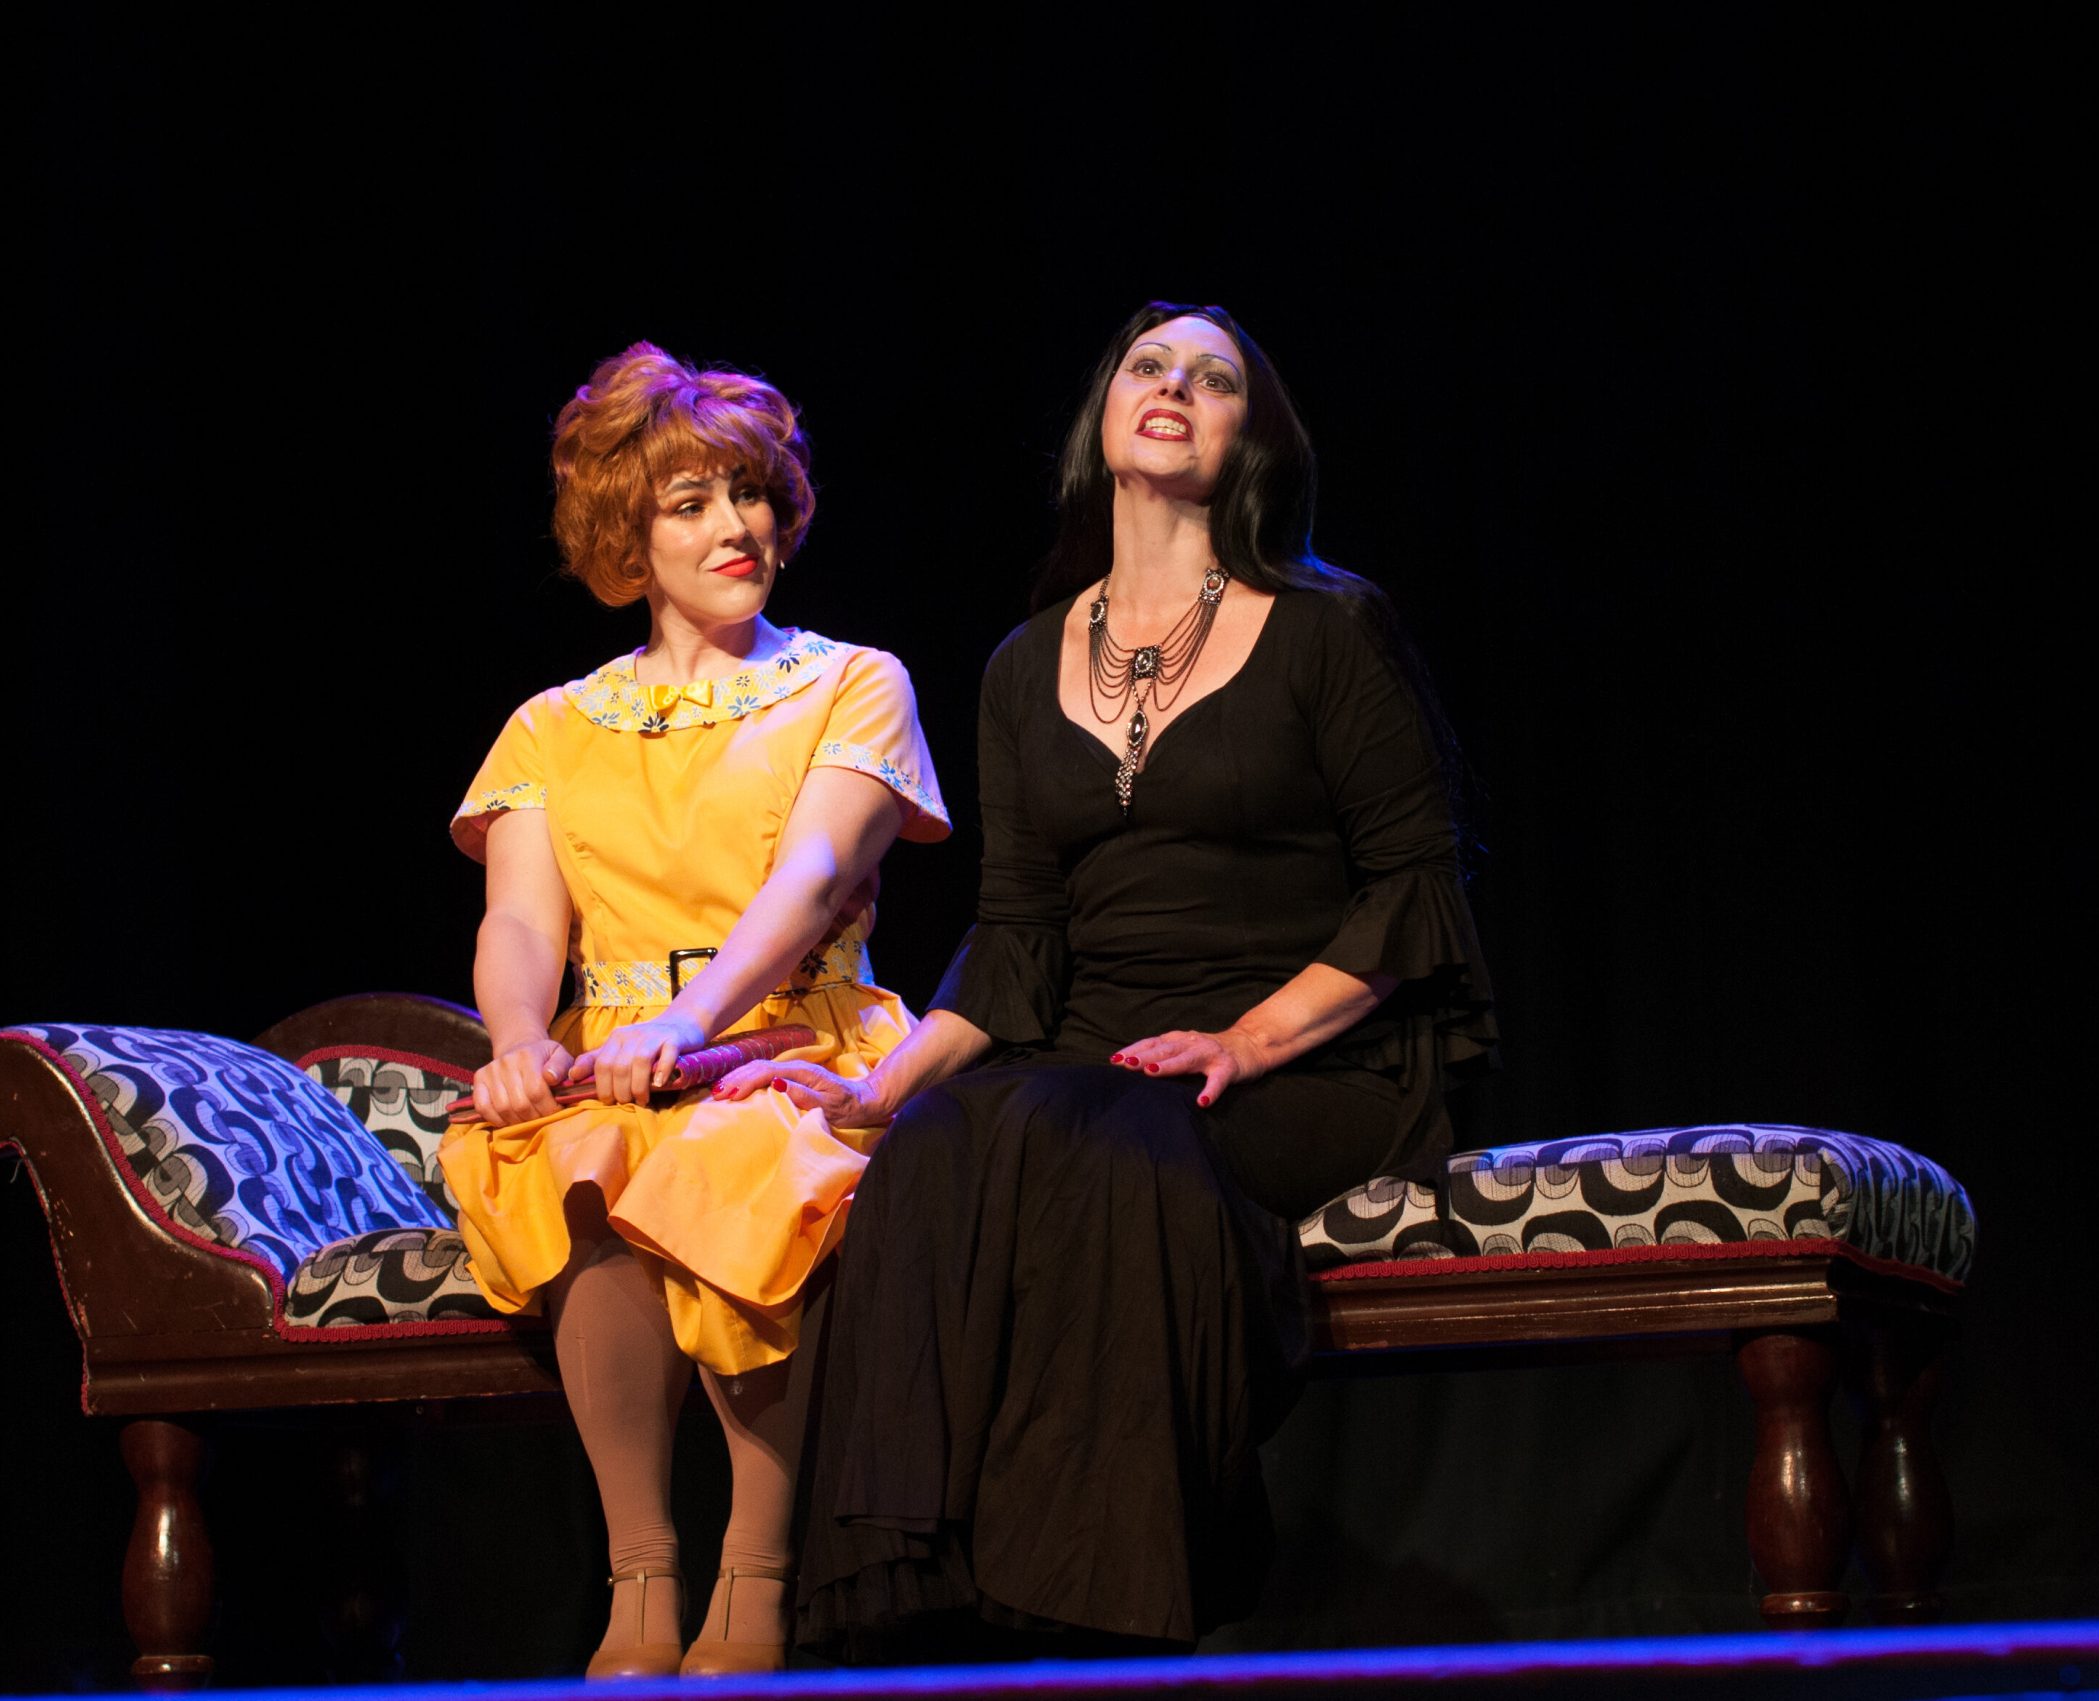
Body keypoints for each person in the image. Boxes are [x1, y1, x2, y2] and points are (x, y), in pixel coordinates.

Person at [716, 303, 1496, 1657]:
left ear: (1252, 438)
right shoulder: (1026, 666)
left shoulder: (1329, 627)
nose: (1174, 386)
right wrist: (879, 1092)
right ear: (1104, 415)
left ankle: (1099, 1610)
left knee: (1114, 1140)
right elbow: (1018, 932)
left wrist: (1246, 1042)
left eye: (1213, 377)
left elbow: (1412, 889)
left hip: (1310, 1053)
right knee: (939, 1145)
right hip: (1096, 1051)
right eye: (1149, 365)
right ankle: (936, 1613)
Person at [439, 343, 949, 1678]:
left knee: (738, 1159)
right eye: (692, 502)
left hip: (792, 1036)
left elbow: (815, 872)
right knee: (580, 1161)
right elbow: (521, 922)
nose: (738, 526)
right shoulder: (553, 724)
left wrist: (694, 1022)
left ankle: (757, 1575)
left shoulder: (851, 680)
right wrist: (517, 1042)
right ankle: (641, 1573)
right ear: (630, 533)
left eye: (752, 494)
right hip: (614, 1054)